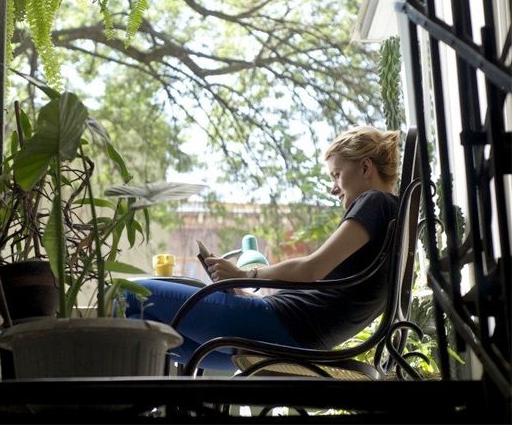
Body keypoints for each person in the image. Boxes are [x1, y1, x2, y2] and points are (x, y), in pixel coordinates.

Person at [125, 126, 401, 370]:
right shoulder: (390, 214)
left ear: (365, 167)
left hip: (279, 329)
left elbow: (311, 268)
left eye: (336, 175)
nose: (333, 189)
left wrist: (245, 275)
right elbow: (322, 289)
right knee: (140, 328)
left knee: (126, 294)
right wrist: (245, 294)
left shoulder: (375, 202)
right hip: (290, 335)